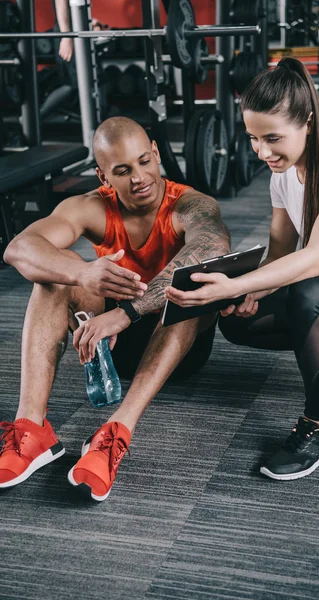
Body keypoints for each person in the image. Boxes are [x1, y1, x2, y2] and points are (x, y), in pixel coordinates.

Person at [166, 57, 319, 481]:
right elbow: (278, 256)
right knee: (238, 322)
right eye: (253, 138)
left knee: (313, 293)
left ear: (308, 121)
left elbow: (311, 258)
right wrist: (241, 291)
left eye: (272, 138)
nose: (262, 151)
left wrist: (226, 288)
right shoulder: (284, 174)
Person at [0, 117, 230, 501]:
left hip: (177, 347)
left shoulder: (190, 204)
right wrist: (82, 273)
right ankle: (32, 428)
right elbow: (18, 249)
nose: (139, 177)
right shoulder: (92, 207)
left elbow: (213, 247)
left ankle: (115, 432)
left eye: (144, 162)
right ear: (103, 176)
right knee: (54, 276)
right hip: (111, 346)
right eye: (122, 171)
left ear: (156, 154)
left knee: (190, 288)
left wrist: (128, 312)